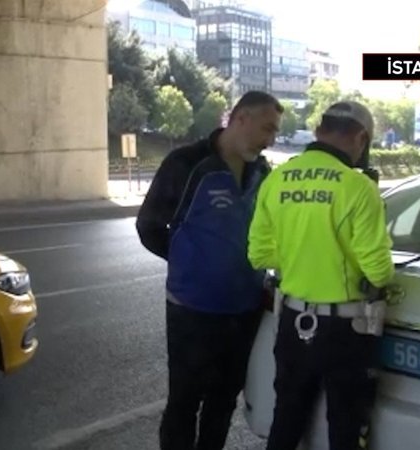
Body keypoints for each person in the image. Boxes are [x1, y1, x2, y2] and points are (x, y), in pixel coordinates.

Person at [136, 90, 283, 450]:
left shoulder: (262, 172)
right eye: (267, 129)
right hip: (192, 309)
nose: (271, 140)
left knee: (223, 401)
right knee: (185, 401)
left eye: (275, 132)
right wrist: (189, 262)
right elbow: (149, 225)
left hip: (244, 309)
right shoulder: (187, 163)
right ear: (240, 119)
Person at [247, 100, 395, 450]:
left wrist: (301, 255)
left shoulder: (277, 179)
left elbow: (259, 254)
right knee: (345, 426)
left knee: (286, 418)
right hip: (344, 332)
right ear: (360, 138)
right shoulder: (358, 188)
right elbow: (379, 270)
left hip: (293, 321)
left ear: (318, 131)